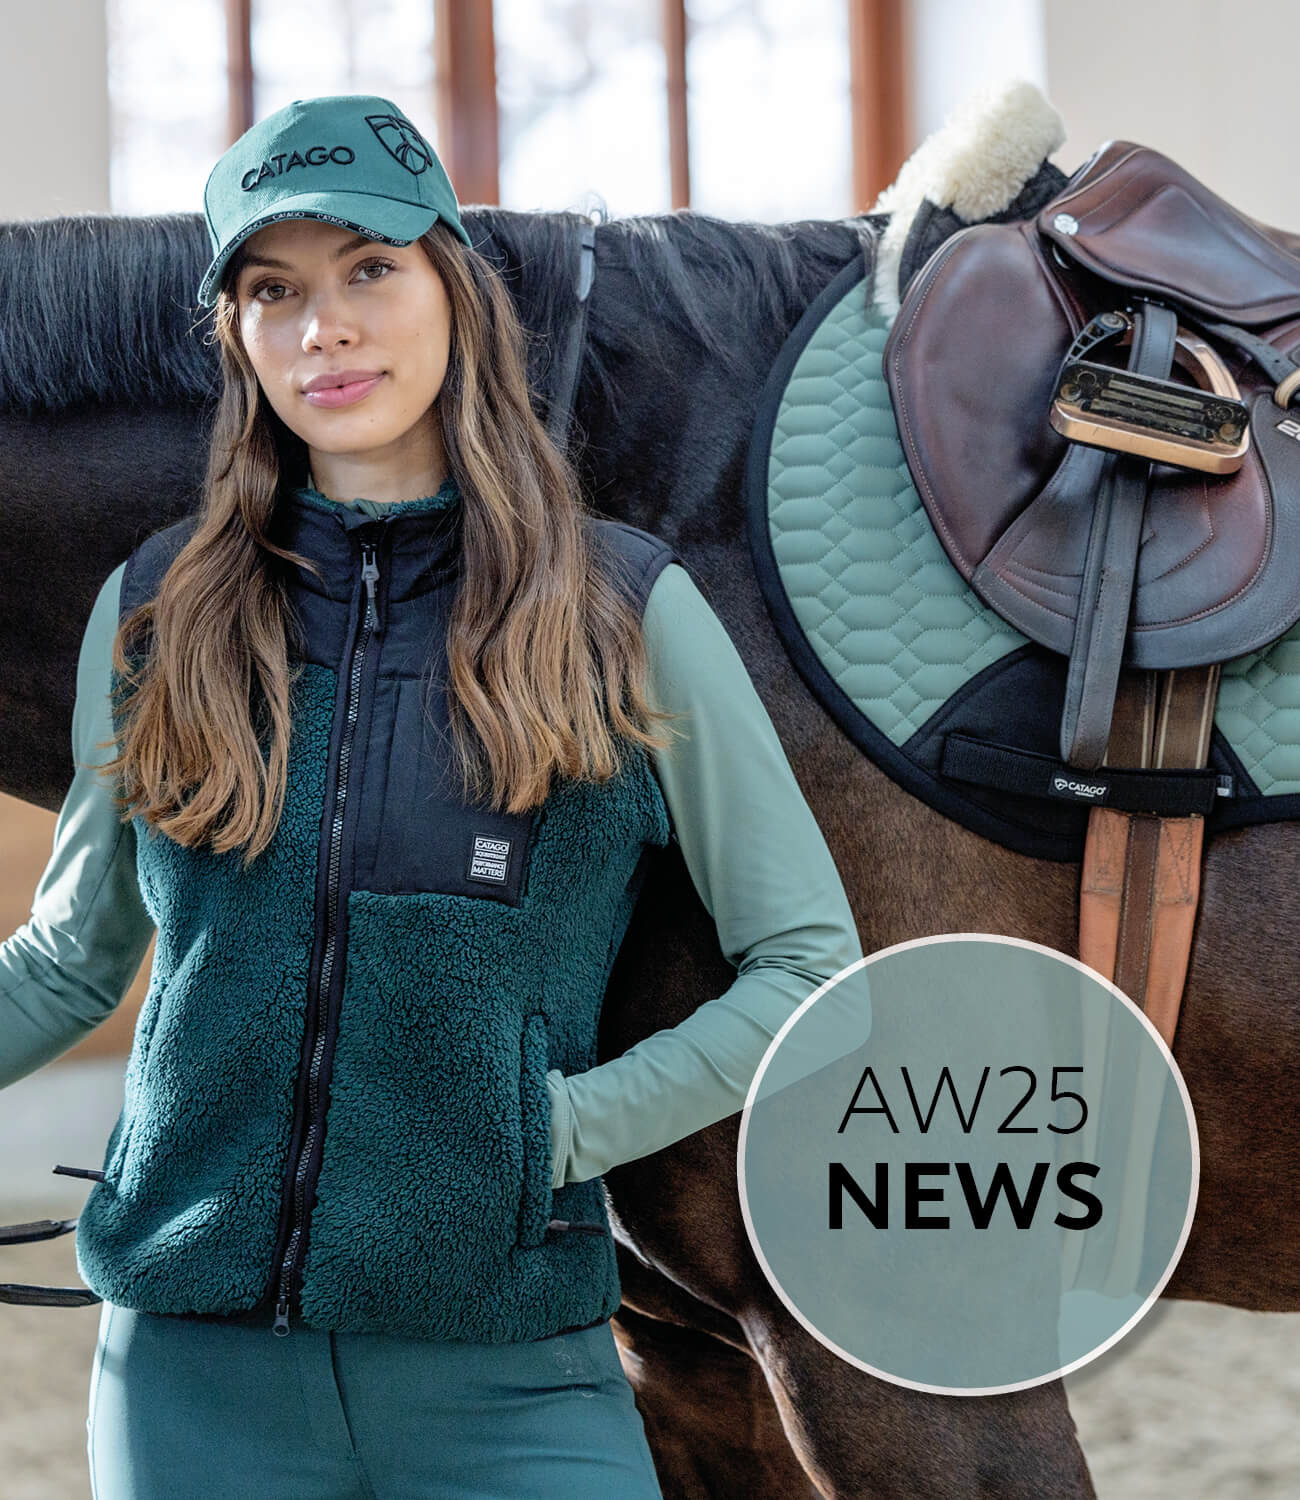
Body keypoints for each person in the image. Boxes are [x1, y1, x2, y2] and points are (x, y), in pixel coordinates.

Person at [0, 94, 866, 1498]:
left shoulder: (622, 609)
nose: (322, 328)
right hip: (186, 1378)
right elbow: (67, 958)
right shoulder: (155, 610)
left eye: (368, 270)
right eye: (272, 291)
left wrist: (556, 1133)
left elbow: (814, 976)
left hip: (514, 1383)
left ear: (454, 290)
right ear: (237, 337)